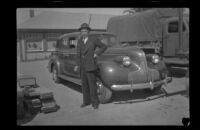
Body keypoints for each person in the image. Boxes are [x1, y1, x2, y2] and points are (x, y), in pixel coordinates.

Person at [74, 23, 107, 109]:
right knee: (84, 86)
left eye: (85, 31)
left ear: (88, 31)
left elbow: (104, 46)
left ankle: (95, 103)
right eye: (82, 31)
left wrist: (97, 53)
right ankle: (86, 102)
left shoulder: (94, 39)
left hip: (91, 66)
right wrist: (77, 65)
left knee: (92, 86)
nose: (83, 32)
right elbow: (78, 54)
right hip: (82, 67)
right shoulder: (80, 40)